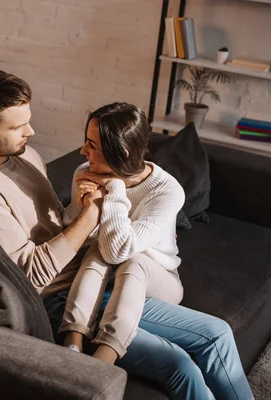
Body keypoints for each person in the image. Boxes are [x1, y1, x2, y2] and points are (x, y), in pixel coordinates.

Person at [0, 69, 253, 400]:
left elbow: (61, 226)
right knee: (179, 365)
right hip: (55, 300)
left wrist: (90, 213)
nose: (31, 131)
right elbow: (30, 276)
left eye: (29, 120)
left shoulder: (24, 157)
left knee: (217, 334)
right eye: (18, 126)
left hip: (94, 280)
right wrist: (95, 210)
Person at [59, 103, 185, 366]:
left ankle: (104, 359)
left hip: (158, 280)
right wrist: (85, 207)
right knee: (97, 247)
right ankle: (72, 343)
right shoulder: (84, 172)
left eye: (92, 145)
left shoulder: (167, 190)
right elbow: (76, 234)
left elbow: (120, 250)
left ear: (121, 154)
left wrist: (115, 188)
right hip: (104, 272)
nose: (83, 151)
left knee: (133, 258)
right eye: (86, 142)